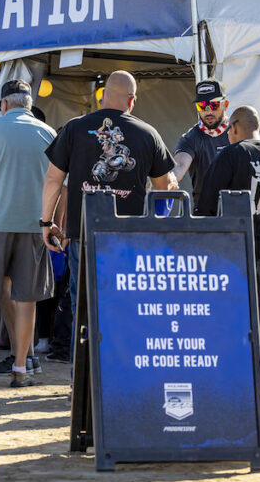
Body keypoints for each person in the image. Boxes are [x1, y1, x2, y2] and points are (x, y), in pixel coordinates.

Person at [41, 71, 178, 356]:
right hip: (127, 236)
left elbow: (53, 179)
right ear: (132, 100)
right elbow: (165, 188)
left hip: (83, 233)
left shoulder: (74, 128)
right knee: (125, 304)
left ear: (101, 97)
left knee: (84, 308)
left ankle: (82, 383)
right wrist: (157, 225)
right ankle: (120, 375)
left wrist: (47, 221)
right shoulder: (147, 132)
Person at [196, 105, 260, 405]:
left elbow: (205, 206)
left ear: (235, 127)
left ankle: (230, 385)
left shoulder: (229, 156)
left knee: (229, 319)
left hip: (235, 251)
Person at [0, 80, 56, 388]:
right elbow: (58, 183)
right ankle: (21, 369)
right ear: (29, 105)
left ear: (3, 105)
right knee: (27, 300)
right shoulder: (48, 132)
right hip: (34, 225)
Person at [172, 79, 231, 199]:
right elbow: (180, 165)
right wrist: (169, 179)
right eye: (202, 105)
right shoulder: (191, 138)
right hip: (205, 212)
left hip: (237, 208)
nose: (208, 111)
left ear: (225, 105)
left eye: (213, 105)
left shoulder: (238, 131)